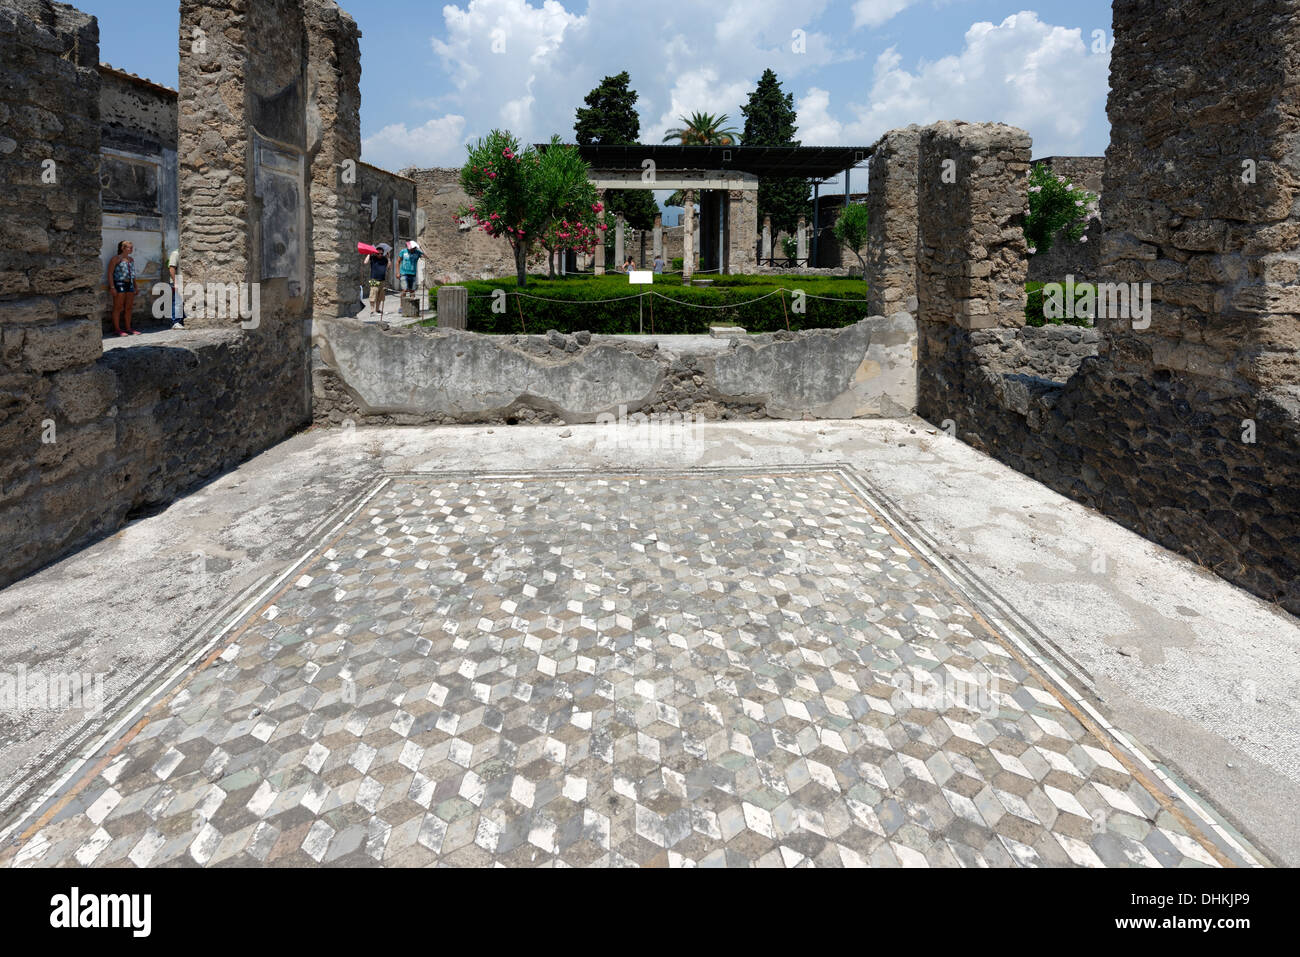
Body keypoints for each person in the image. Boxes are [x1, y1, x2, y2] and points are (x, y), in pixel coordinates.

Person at [106, 240, 140, 336]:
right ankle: (117, 329)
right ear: (122, 248)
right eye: (129, 247)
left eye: (132, 247)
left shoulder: (131, 259)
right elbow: (110, 273)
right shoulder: (116, 259)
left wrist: (136, 286)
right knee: (118, 307)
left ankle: (128, 328)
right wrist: (112, 287)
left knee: (128, 307)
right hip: (119, 283)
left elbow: (133, 274)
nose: (131, 249)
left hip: (130, 284)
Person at [364, 243, 390, 315]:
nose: (380, 255)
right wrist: (369, 254)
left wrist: (388, 258)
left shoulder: (384, 259)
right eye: (378, 253)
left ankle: (377, 310)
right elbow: (365, 262)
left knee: (380, 296)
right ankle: (372, 311)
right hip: (374, 279)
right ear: (376, 253)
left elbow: (388, 266)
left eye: (381, 253)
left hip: (382, 279)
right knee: (373, 294)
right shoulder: (372, 258)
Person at [167, 248, 184, 329]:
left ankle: (181, 321)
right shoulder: (175, 253)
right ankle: (176, 322)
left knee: (181, 302)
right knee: (177, 302)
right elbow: (171, 268)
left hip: (183, 281)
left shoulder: (183, 253)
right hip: (176, 281)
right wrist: (175, 282)